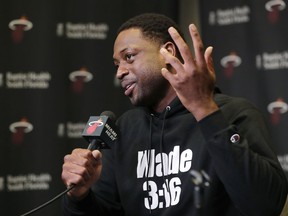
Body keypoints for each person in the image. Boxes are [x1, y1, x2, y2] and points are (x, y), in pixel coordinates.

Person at [61, 13, 288, 216]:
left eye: (129, 57)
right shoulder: (125, 129)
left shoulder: (233, 113)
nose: (120, 72)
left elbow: (266, 206)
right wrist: (80, 197)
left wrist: (205, 110)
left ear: (167, 52)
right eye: (117, 64)